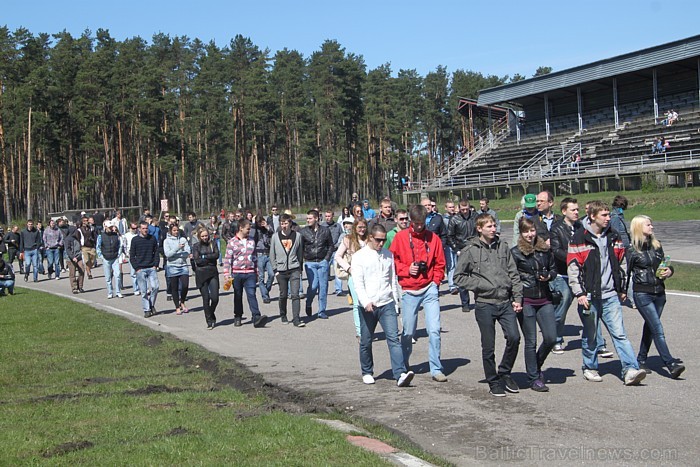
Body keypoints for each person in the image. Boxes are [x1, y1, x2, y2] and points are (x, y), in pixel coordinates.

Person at [567, 200, 646, 386]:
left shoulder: (614, 236)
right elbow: (573, 269)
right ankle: (590, 367)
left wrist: (622, 289)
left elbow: (622, 265)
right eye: (604, 215)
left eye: (608, 214)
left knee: (620, 334)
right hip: (589, 296)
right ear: (592, 216)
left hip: (611, 295)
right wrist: (579, 294)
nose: (608, 218)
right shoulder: (579, 238)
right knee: (591, 335)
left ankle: (630, 369)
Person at [454, 213, 523, 397]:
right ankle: (493, 381)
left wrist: (517, 297)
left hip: (505, 301)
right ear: (479, 229)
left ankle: (505, 372)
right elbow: (458, 277)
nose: (493, 229)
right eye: (489, 226)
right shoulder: (470, 250)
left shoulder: (503, 247)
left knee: (514, 338)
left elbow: (514, 274)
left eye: (494, 225)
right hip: (485, 304)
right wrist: (480, 286)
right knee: (489, 346)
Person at [390, 204, 447, 383]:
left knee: (434, 330)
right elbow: (393, 263)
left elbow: (440, 263)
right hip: (408, 289)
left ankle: (436, 368)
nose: (419, 227)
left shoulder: (434, 238)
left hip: (429, 287)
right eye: (415, 223)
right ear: (410, 222)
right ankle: (404, 366)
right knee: (408, 332)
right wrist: (408, 269)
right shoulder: (400, 238)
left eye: (422, 223)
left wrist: (435, 282)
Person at [353, 224, 415, 387]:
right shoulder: (359, 257)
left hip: (386, 303)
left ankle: (400, 373)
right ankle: (367, 371)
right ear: (370, 238)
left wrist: (396, 301)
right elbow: (358, 284)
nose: (381, 243)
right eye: (378, 240)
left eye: (384, 240)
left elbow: (392, 280)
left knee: (393, 338)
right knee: (366, 340)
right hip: (368, 306)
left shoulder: (388, 255)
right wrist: (365, 301)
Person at [627, 215, 685, 379]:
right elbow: (625, 273)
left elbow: (664, 265)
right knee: (658, 329)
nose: (652, 227)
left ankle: (641, 359)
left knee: (651, 326)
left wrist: (669, 271)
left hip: (659, 292)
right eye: (648, 225)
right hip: (642, 293)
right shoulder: (631, 250)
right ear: (639, 227)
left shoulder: (656, 246)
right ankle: (670, 364)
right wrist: (623, 293)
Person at [511, 218, 557, 392]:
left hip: (544, 298)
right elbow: (512, 277)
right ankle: (533, 378)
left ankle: (536, 365)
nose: (530, 235)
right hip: (527, 299)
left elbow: (554, 269)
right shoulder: (516, 253)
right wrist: (516, 297)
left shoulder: (545, 249)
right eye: (526, 231)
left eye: (532, 231)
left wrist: (549, 276)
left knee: (551, 338)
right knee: (530, 341)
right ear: (521, 233)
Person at [549, 197, 581, 354]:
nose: (576, 212)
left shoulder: (581, 227)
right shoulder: (556, 228)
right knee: (565, 301)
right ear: (564, 211)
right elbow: (556, 250)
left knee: (591, 307)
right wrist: (573, 257)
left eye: (577, 209)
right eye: (573, 210)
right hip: (562, 273)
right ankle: (555, 339)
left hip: (580, 273)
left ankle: (599, 344)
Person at [224, 219, 268, 328]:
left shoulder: (251, 241)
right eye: (248, 229)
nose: (249, 231)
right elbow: (228, 259)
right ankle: (238, 316)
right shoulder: (232, 242)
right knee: (238, 295)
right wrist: (226, 274)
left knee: (251, 294)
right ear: (241, 228)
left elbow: (254, 258)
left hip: (250, 273)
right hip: (237, 274)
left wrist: (257, 272)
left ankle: (256, 317)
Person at [270, 213, 305, 327]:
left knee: (295, 295)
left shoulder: (298, 236)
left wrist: (299, 268)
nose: (283, 226)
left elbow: (300, 253)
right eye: (281, 223)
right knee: (283, 294)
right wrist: (275, 270)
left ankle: (296, 318)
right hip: (281, 270)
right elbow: (272, 255)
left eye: (285, 223)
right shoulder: (275, 237)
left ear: (290, 223)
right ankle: (283, 314)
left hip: (294, 268)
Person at [335, 219, 369, 338]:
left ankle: (367, 329)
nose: (362, 230)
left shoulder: (370, 240)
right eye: (359, 227)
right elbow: (338, 256)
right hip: (354, 275)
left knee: (367, 303)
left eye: (364, 227)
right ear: (354, 228)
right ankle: (360, 332)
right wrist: (348, 268)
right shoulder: (348, 240)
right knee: (357, 303)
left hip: (368, 276)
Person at [300, 210, 334, 320]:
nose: (308, 220)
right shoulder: (303, 232)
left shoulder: (325, 231)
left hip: (322, 261)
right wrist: (302, 260)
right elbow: (300, 247)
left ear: (316, 219)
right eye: (307, 218)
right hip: (310, 262)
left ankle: (321, 310)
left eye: (310, 218)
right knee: (313, 285)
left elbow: (330, 246)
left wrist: (326, 259)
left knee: (323, 287)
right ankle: (308, 302)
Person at [448, 199, 478, 312]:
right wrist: (456, 249)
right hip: (462, 249)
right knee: (462, 276)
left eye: (467, 209)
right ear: (459, 208)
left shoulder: (475, 217)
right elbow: (450, 236)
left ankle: (479, 300)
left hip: (475, 248)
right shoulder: (454, 219)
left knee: (477, 275)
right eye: (462, 209)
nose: (465, 211)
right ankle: (465, 303)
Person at [131, 221, 160, 318]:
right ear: (139, 229)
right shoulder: (135, 240)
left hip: (151, 267)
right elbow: (132, 256)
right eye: (143, 228)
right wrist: (137, 268)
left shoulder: (152, 239)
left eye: (146, 228)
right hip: (140, 268)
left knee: (155, 287)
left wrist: (155, 265)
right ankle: (146, 309)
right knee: (143, 291)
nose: (145, 230)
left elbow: (156, 252)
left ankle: (151, 305)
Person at [192, 228, 220, 330]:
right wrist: (209, 258)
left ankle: (211, 312)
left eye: (206, 236)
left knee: (215, 298)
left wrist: (204, 256)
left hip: (212, 272)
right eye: (203, 236)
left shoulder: (213, 243)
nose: (205, 238)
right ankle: (209, 320)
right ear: (199, 237)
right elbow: (197, 260)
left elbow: (216, 255)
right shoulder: (196, 246)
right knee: (206, 298)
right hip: (201, 273)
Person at [164, 223, 191, 315]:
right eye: (174, 230)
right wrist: (177, 248)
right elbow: (168, 254)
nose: (176, 232)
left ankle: (182, 301)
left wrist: (181, 254)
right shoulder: (166, 241)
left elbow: (187, 252)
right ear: (170, 231)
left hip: (183, 265)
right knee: (174, 288)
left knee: (185, 285)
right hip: (172, 266)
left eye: (177, 230)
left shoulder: (183, 239)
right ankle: (177, 307)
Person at [96, 220, 124, 299]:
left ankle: (118, 292)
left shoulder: (115, 235)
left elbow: (119, 245)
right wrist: (101, 256)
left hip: (115, 258)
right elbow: (98, 247)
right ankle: (110, 292)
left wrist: (118, 254)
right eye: (110, 227)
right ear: (105, 227)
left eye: (112, 227)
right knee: (108, 277)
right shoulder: (101, 236)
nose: (111, 228)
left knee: (117, 275)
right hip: (106, 259)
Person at [252, 215, 274, 303]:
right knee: (261, 277)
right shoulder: (255, 230)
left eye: (261, 222)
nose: (260, 224)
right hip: (259, 254)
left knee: (272, 274)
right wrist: (253, 224)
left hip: (268, 253)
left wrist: (267, 226)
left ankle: (266, 290)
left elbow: (273, 233)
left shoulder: (267, 229)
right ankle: (265, 296)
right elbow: (251, 236)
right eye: (258, 222)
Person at [321, 209, 344, 297]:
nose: (327, 218)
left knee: (337, 271)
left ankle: (339, 289)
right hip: (326, 251)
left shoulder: (337, 226)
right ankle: (324, 290)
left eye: (329, 216)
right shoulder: (322, 226)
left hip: (335, 251)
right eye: (326, 216)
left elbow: (342, 236)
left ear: (332, 216)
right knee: (324, 272)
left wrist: (337, 245)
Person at [122, 222, 140, 295]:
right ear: (130, 228)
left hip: (139, 254)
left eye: (136, 228)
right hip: (131, 254)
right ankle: (136, 289)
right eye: (133, 228)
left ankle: (143, 288)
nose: (135, 230)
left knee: (141, 272)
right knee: (133, 273)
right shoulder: (126, 235)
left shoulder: (139, 234)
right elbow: (124, 245)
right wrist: (127, 254)